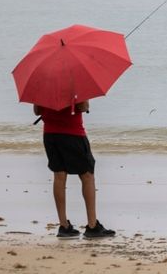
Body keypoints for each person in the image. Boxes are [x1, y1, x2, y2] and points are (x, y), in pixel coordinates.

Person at [34, 101, 116, 239]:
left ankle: (64, 226)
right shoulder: (75, 81)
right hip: (73, 133)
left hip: (50, 134)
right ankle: (92, 226)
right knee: (87, 175)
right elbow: (83, 107)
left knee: (59, 176)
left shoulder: (41, 81)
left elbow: (37, 111)